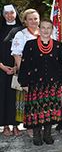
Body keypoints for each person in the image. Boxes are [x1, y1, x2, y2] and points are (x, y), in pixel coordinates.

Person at [18, 18, 62, 145]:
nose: (46, 30)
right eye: (43, 27)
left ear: (52, 30)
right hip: (35, 84)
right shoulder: (30, 45)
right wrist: (23, 83)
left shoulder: (58, 45)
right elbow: (25, 64)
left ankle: (47, 134)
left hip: (53, 84)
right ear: (39, 29)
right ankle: (37, 135)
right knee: (36, 110)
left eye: (48, 28)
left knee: (50, 110)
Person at [11, 8, 40, 137]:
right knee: (28, 100)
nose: (33, 21)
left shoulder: (45, 31)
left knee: (41, 99)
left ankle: (40, 124)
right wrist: (25, 73)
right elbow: (17, 55)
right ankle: (30, 126)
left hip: (43, 73)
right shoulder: (21, 35)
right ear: (25, 21)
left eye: (36, 18)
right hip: (28, 72)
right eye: (30, 19)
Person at [0, 5, 22, 136]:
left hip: (18, 69)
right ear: (3, 15)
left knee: (16, 98)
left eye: (11, 13)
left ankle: (16, 125)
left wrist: (16, 67)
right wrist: (2, 66)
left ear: (16, 13)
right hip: (1, 69)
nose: (9, 15)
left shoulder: (21, 30)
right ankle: (5, 126)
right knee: (3, 97)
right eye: (6, 13)